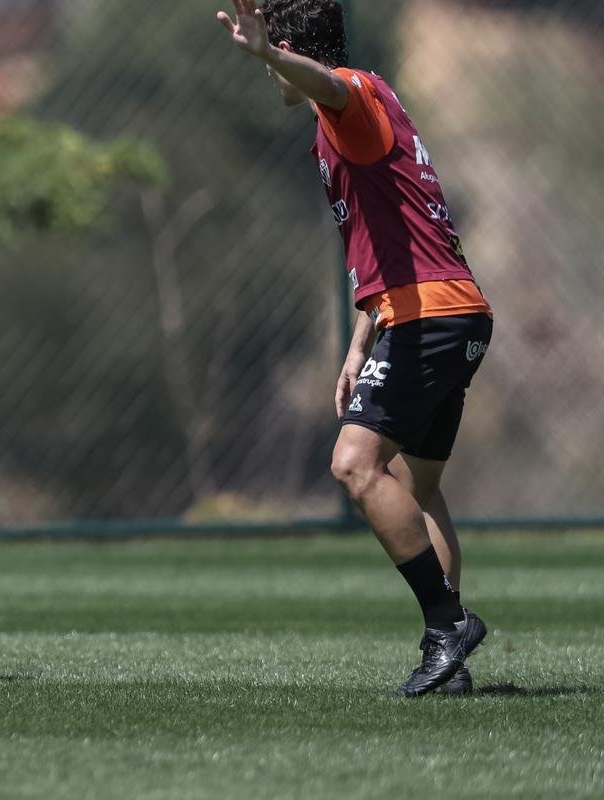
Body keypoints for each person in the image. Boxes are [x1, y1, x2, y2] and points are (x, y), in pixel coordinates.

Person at [217, 0, 493, 696]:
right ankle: (449, 658)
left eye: (276, 56)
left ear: (287, 48)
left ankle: (446, 626)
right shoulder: (352, 114)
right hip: (446, 312)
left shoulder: (353, 98)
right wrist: (358, 342)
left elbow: (333, 85)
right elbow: (386, 245)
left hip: (428, 317)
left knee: (353, 464)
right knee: (421, 488)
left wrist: (270, 57)